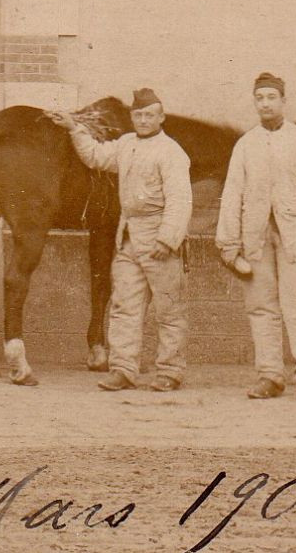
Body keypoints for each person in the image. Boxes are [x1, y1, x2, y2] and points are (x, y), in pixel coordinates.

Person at [50, 88, 192, 393]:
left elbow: (180, 200)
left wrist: (167, 239)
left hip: (159, 236)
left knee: (168, 307)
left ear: (161, 117)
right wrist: (75, 127)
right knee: (124, 305)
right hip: (128, 237)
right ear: (132, 117)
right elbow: (96, 157)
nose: (143, 120)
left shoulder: (171, 152)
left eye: (149, 115)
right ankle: (124, 369)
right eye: (138, 115)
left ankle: (170, 371)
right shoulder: (126, 145)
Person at [216, 72, 296, 404]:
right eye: (260, 98)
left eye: (271, 97)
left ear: (284, 101)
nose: (265, 104)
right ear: (254, 102)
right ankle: (270, 375)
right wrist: (229, 242)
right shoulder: (246, 144)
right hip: (255, 238)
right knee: (261, 308)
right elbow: (232, 194)